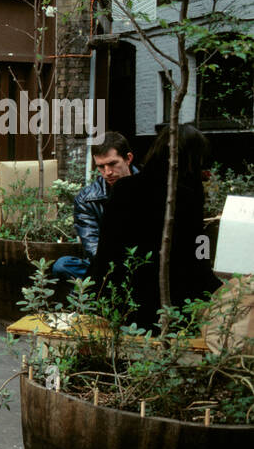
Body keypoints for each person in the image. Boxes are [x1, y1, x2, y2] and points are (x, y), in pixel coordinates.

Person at [90, 125, 219, 332]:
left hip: (123, 305)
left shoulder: (124, 189)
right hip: (168, 309)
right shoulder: (187, 194)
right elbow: (198, 250)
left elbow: (105, 253)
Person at [53, 131, 137, 280]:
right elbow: (94, 249)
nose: (107, 172)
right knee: (62, 265)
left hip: (144, 262)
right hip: (108, 266)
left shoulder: (151, 187)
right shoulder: (87, 199)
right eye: (101, 167)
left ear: (128, 159)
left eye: (112, 164)